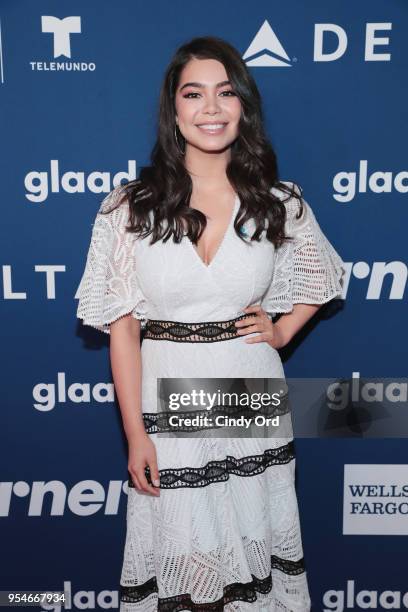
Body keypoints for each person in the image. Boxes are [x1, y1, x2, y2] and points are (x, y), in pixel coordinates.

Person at [75, 36, 346, 612]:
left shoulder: (278, 201)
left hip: (248, 385)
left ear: (243, 106)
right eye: (194, 94)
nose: (212, 108)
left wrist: (281, 330)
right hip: (167, 386)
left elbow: (321, 281)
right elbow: (123, 329)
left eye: (226, 93)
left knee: (247, 541)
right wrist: (135, 433)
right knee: (188, 549)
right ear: (173, 111)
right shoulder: (130, 208)